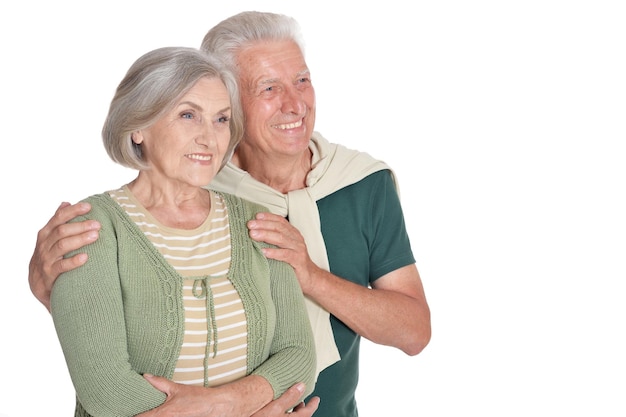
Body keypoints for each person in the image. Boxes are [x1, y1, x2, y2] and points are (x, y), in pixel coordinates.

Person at [29, 11, 431, 417]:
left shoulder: (354, 186)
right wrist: (49, 286)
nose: (295, 104)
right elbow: (105, 367)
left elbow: (405, 334)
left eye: (302, 81)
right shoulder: (180, 190)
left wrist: (308, 275)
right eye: (269, 87)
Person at [47, 45, 316, 417]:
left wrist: (223, 403)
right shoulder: (91, 228)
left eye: (221, 119)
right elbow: (107, 393)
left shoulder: (257, 220)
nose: (210, 138)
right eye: (189, 115)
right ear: (138, 126)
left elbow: (299, 358)